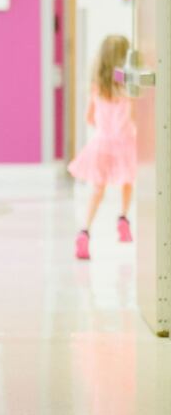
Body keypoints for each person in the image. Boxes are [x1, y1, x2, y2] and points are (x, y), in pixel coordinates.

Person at [68, 35, 136, 260]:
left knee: (98, 190)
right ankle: (123, 218)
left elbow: (89, 117)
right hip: (124, 142)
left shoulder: (97, 85)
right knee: (128, 181)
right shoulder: (125, 83)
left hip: (101, 144)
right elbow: (133, 116)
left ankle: (85, 231)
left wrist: (102, 126)